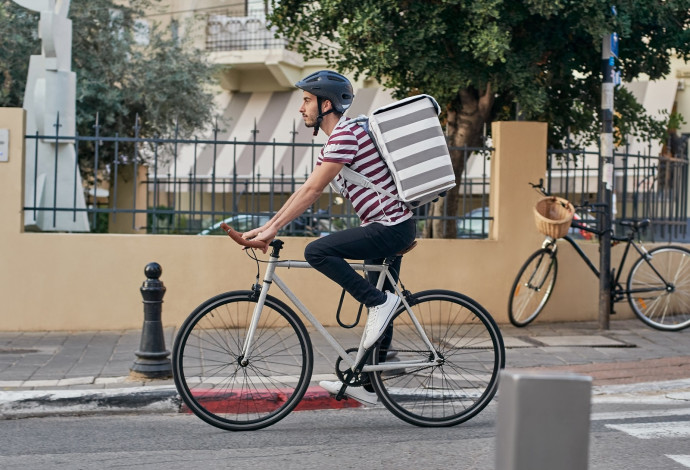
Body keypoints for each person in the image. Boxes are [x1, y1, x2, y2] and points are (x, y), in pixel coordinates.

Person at [242, 70, 416, 405]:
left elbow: (313, 190)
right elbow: (305, 190)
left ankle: (381, 305)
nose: (301, 108)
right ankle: (369, 382)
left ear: (326, 103)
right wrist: (268, 227)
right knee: (378, 302)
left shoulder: (345, 135)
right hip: (390, 226)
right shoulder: (337, 139)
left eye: (306, 100)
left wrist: (271, 229)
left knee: (318, 252)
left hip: (388, 226)